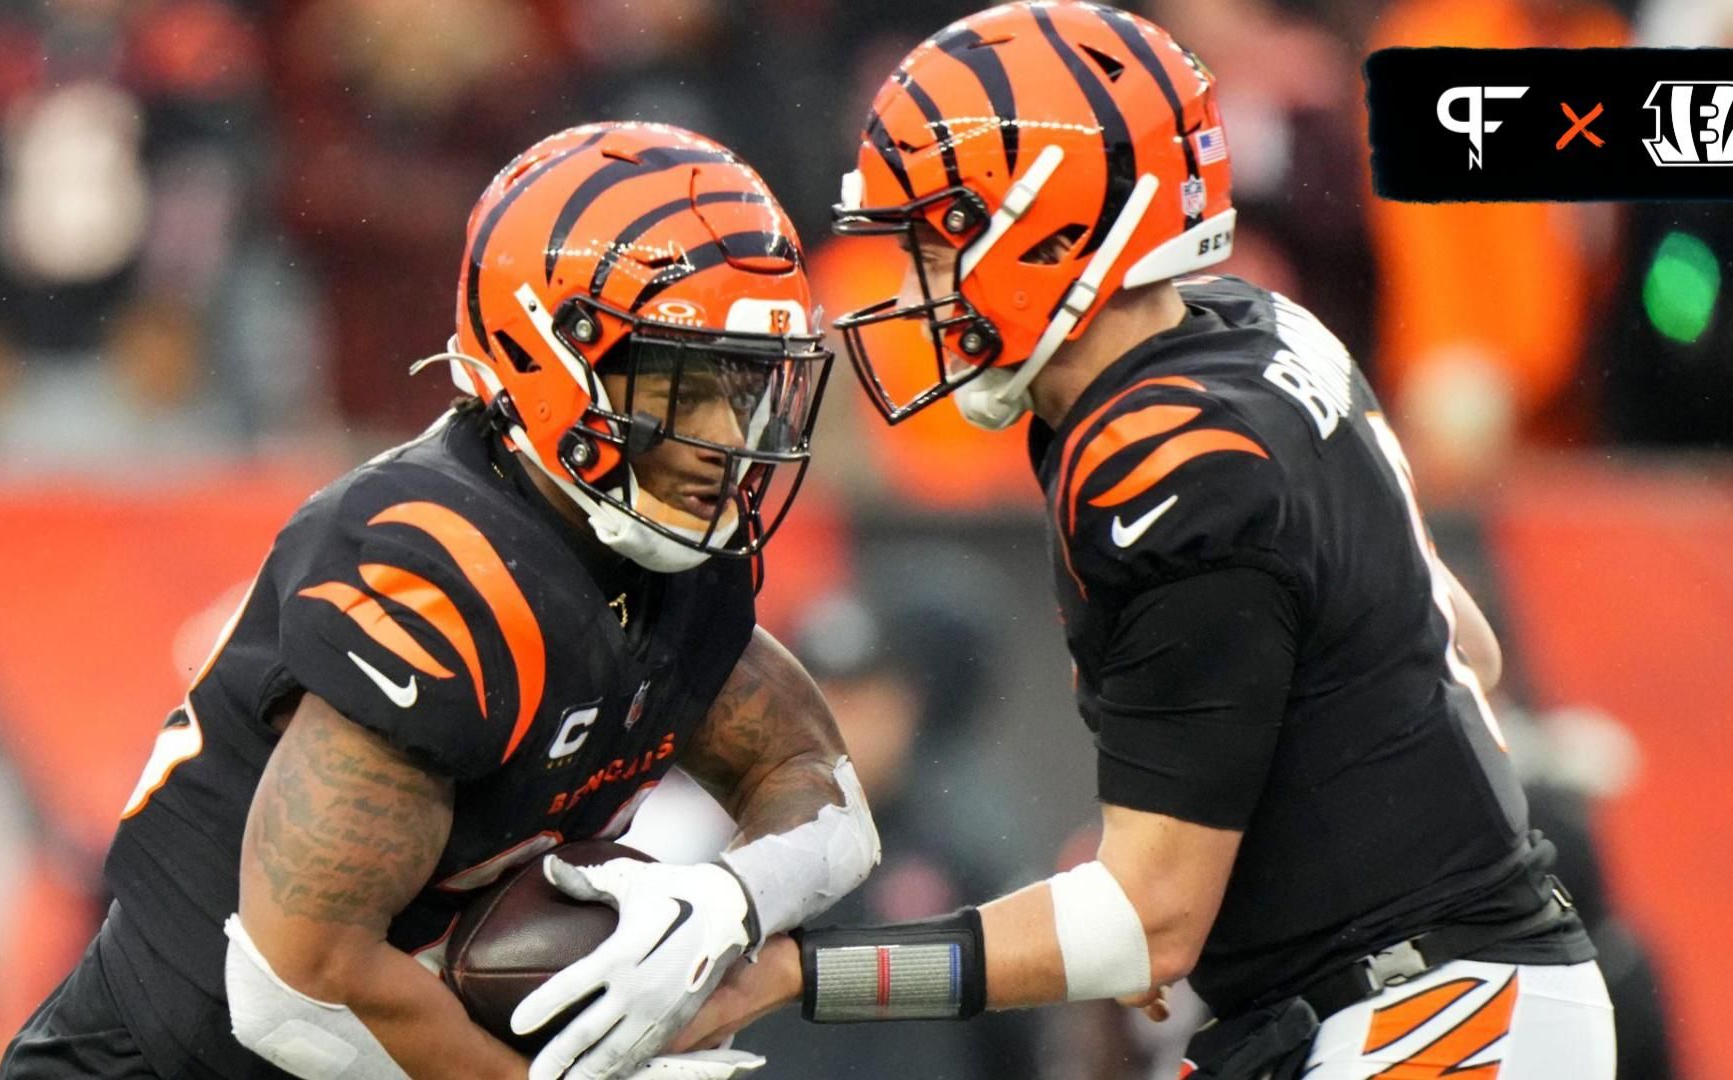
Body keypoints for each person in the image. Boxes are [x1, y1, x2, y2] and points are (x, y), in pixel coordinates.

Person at [661, 5, 1613, 1078]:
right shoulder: (1253, 326)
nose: (913, 289)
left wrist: (808, 973)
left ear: (1053, 232)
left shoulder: (1166, 465)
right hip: (1421, 990)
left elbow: (1149, 924)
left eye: (934, 244)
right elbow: (1462, 649)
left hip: (1426, 1013)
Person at [0, 121, 881, 1080]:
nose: (725, 439)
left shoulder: (661, 553)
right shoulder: (445, 571)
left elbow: (821, 790)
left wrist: (727, 902)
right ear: (556, 357)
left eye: (749, 388)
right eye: (682, 385)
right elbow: (296, 986)